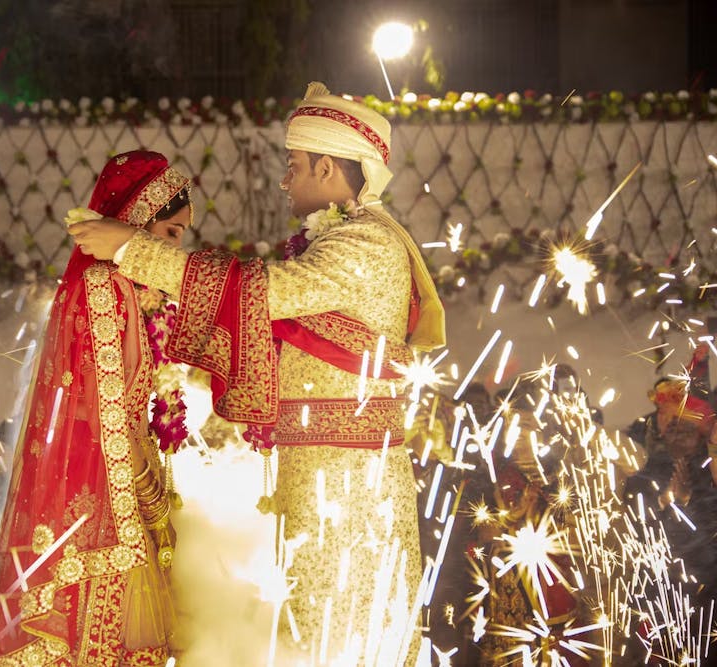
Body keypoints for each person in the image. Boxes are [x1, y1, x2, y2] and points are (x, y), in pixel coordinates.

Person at [70, 83, 446, 664]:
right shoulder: (342, 239)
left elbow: (265, 292)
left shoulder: (365, 243)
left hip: (348, 485)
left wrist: (132, 251)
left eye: (294, 166)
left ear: (326, 166)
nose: (285, 180)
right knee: (311, 631)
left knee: (342, 637)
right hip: (323, 470)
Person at [0, 151, 192, 666]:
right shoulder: (103, 289)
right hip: (100, 493)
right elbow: (104, 412)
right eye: (172, 234)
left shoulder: (135, 293)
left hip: (122, 483)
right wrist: (149, 494)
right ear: (138, 224)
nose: (178, 249)